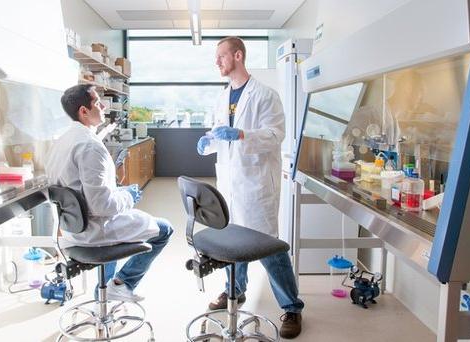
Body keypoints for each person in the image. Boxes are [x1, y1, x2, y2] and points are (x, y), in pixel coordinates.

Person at [196, 36, 305, 339]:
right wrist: (207, 142)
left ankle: (292, 307)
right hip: (230, 182)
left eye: (221, 56)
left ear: (238, 56)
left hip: (256, 184)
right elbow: (219, 135)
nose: (216, 62)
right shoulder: (222, 97)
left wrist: (242, 134)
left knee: (268, 247)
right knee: (233, 240)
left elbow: (275, 135)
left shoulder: (265, 95)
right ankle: (235, 291)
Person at [45, 84, 173, 302]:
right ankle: (121, 284)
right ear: (83, 111)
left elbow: (84, 193)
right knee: (164, 229)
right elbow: (102, 206)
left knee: (121, 222)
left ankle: (105, 289)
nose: (103, 105)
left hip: (71, 229)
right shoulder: (90, 146)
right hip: (94, 231)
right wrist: (129, 196)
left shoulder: (63, 141)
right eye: (97, 102)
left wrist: (118, 192)